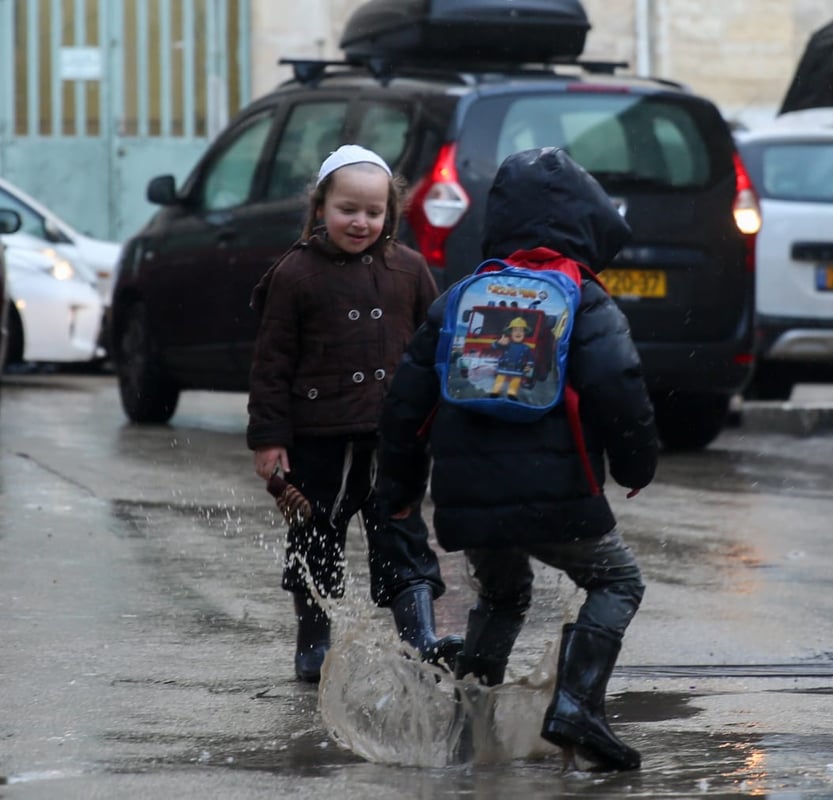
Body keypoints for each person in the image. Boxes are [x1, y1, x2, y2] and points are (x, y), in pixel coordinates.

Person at [375, 147, 658, 771]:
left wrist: (396, 487)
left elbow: (407, 402)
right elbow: (620, 385)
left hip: (470, 499)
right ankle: (577, 705)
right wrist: (637, 467)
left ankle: (464, 739)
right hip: (560, 493)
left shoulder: (463, 298)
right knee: (617, 581)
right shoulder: (581, 297)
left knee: (502, 598)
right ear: (585, 222)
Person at [247, 144, 462, 683]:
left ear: (390, 213)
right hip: (320, 440)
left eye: (374, 211)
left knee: (403, 534)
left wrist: (445, 412)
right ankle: (313, 646)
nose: (361, 222)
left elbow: (436, 345)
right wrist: (269, 440)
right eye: (348, 209)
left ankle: (421, 639)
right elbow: (271, 364)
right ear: (321, 207)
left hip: (395, 438)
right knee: (315, 537)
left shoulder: (410, 270)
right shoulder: (295, 274)